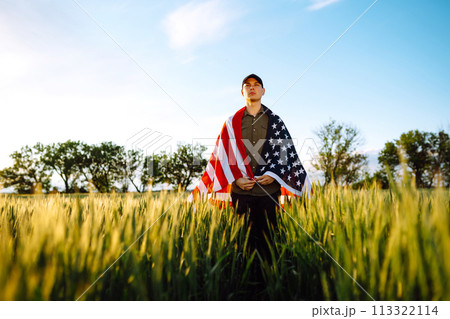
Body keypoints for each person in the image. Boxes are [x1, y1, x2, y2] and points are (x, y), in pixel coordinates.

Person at [189, 74, 311, 255]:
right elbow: (224, 155)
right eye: (247, 85)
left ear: (263, 91)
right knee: (242, 243)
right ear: (242, 91)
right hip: (241, 192)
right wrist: (236, 178)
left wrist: (273, 174)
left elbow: (284, 155)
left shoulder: (275, 121)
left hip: (269, 193)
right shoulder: (231, 122)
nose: (252, 88)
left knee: (269, 243)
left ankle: (269, 279)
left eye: (256, 85)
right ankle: (242, 279)